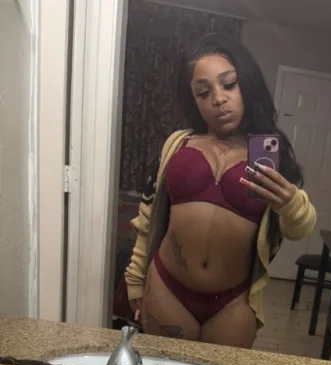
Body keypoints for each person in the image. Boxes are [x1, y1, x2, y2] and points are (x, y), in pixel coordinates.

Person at [125, 35, 316, 348]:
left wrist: (290, 204)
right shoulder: (177, 144)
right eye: (203, 92)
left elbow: (300, 228)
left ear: (247, 85)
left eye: (229, 84)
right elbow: (147, 220)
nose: (218, 99)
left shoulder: (270, 155)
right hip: (167, 288)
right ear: (194, 101)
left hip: (234, 302)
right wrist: (135, 280)